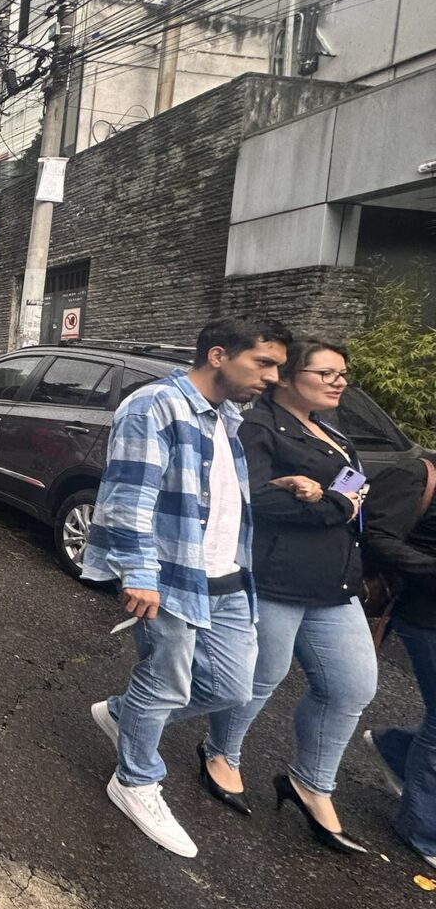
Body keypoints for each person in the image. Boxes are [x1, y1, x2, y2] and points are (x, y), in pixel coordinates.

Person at [83, 317, 291, 858]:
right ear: (219, 355)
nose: (272, 377)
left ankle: (125, 713)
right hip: (171, 577)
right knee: (167, 682)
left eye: (278, 367)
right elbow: (130, 495)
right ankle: (135, 781)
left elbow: (215, 498)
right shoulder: (154, 405)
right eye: (263, 363)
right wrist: (141, 574)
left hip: (225, 577)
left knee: (232, 687)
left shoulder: (227, 416)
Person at [197, 339, 374, 852]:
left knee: (351, 687)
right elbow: (252, 497)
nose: (339, 382)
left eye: (343, 373)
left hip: (336, 585)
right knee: (258, 679)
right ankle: (220, 752)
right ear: (292, 376)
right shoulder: (259, 428)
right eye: (327, 373)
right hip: (275, 578)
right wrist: (336, 504)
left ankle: (311, 783)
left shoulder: (337, 434)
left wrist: (334, 501)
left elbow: (357, 491)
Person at [363, 448, 436, 870]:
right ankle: (421, 828)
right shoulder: (416, 472)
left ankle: (394, 747)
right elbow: (375, 535)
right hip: (424, 613)